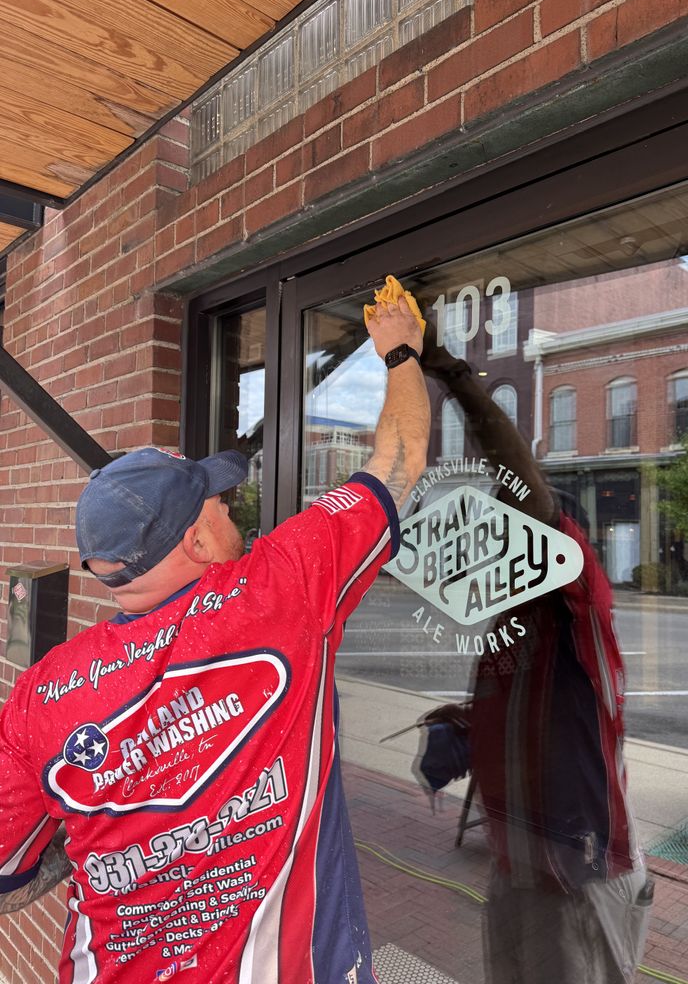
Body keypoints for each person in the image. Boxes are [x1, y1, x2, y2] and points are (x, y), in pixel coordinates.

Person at [0, 292, 429, 984]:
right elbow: (398, 462)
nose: (238, 516)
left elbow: (6, 881)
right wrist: (402, 352)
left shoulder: (38, 696)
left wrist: (103, 841)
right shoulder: (278, 591)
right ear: (196, 541)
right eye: (223, 506)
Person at [415, 326, 653, 984]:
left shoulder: (576, 607)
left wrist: (449, 373)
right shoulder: (509, 624)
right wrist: (463, 726)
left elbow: (522, 482)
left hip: (581, 873)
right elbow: (524, 719)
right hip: (520, 867)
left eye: (503, 535)